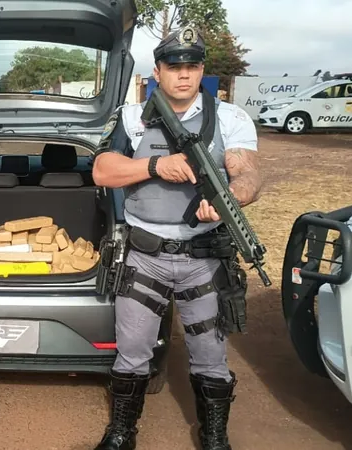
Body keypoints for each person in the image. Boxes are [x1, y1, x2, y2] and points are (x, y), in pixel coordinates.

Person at [91, 26, 263, 450]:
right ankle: (121, 432)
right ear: (158, 71)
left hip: (204, 257)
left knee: (210, 357)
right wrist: (155, 167)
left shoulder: (230, 117)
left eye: (192, 66)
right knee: (132, 353)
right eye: (174, 67)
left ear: (202, 70)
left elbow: (248, 174)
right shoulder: (131, 118)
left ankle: (214, 435)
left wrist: (231, 200)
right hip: (143, 255)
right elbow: (102, 171)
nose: (183, 75)